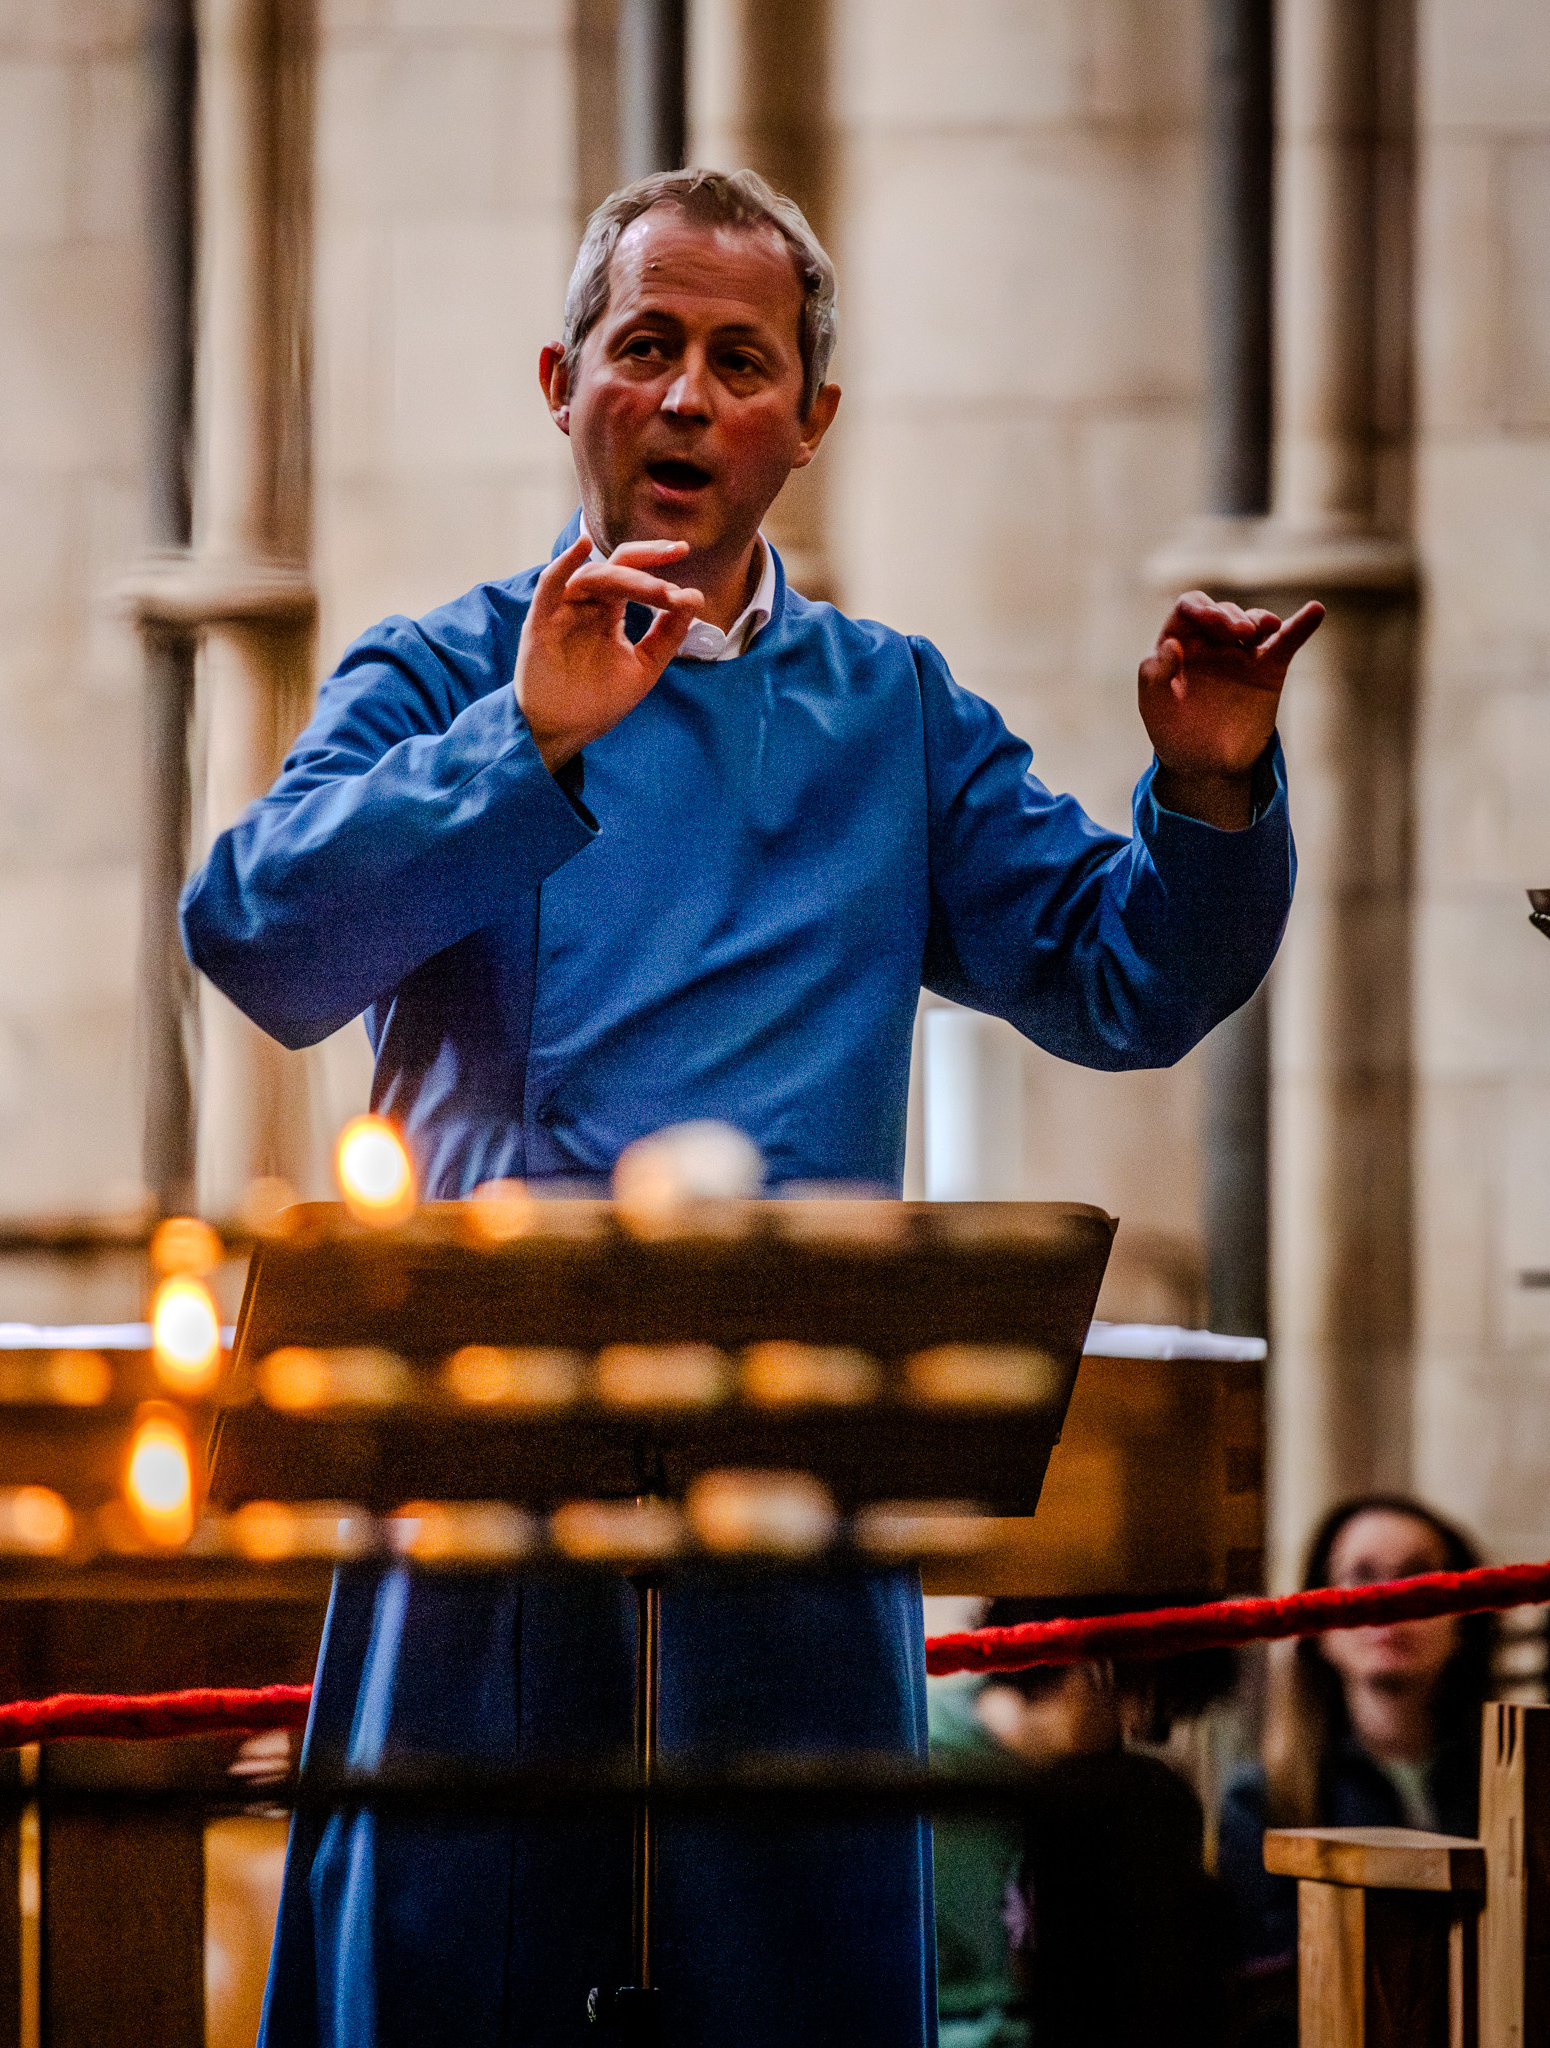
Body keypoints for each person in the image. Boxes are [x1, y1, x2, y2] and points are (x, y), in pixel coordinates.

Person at [184, 166, 1320, 2048]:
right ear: (561, 383)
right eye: (646, 347)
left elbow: (1122, 976)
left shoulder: (887, 715)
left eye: (740, 360)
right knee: (466, 1956)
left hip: (793, 1503)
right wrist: (529, 736)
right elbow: (255, 934)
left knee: (778, 1967)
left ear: (810, 419)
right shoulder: (442, 669)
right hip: (487, 1496)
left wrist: (1206, 789)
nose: (689, 397)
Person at [1217, 1497, 1494, 2045]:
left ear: (1464, 1615)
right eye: (1362, 1577)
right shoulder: (1260, 1801)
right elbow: (1272, 2001)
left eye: (1419, 1576)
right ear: (1319, 1625)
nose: (1390, 1599)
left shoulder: (1521, 1784)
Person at [931, 1598, 1234, 2048]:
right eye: (1143, 1705)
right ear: (1091, 1671)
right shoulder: (923, 1755)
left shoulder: (1122, 1801)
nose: (1137, 1735)